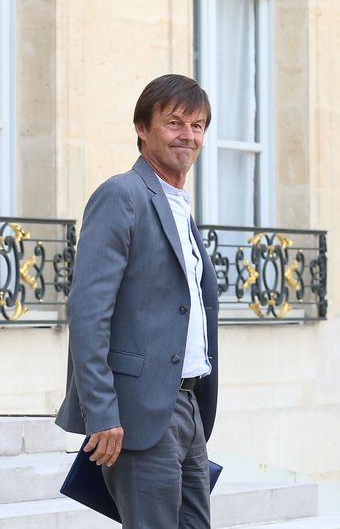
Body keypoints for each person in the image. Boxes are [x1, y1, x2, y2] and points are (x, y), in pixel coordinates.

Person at [56, 74, 219, 528]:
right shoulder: (122, 195)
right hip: (137, 413)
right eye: (174, 123)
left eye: (198, 125)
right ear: (142, 128)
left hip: (187, 403)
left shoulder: (179, 204)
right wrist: (103, 413)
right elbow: (90, 314)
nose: (188, 135)